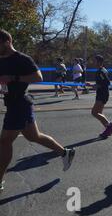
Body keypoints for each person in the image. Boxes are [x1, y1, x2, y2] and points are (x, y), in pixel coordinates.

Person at [0, 29, 75, 193]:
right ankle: (65, 152)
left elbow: (38, 77)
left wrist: (14, 78)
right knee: (33, 136)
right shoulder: (1, 60)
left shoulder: (22, 59)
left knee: (5, 141)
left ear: (7, 42)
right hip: (12, 103)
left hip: (20, 104)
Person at [87, 55, 112, 139]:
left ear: (99, 62)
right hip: (103, 93)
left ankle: (109, 125)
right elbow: (103, 82)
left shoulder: (100, 71)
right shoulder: (103, 70)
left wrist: (94, 86)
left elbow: (106, 82)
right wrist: (93, 85)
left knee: (94, 112)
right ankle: (108, 130)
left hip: (102, 94)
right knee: (99, 112)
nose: (93, 63)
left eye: (95, 61)